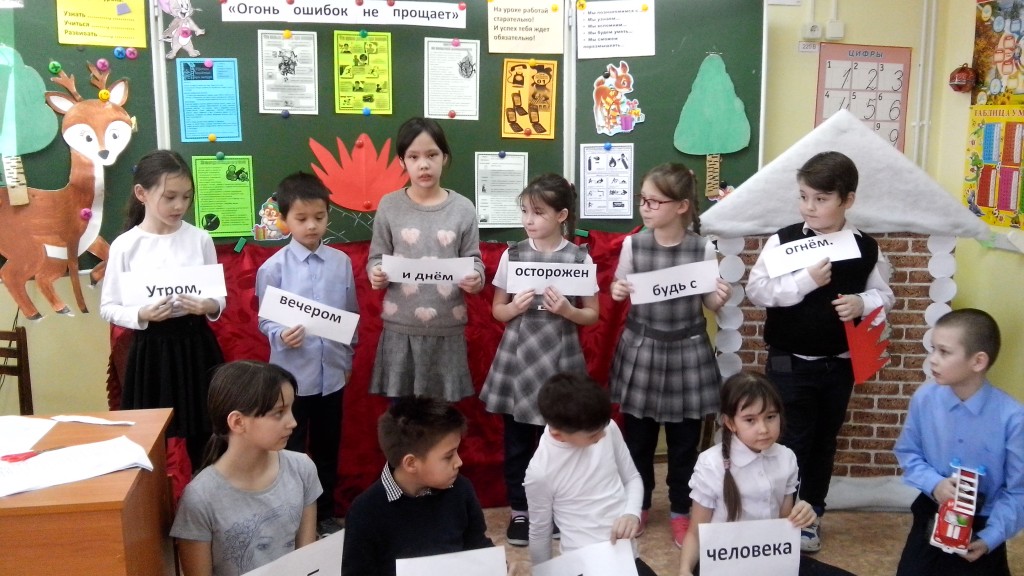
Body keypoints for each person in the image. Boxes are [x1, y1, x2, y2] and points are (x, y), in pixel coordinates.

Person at [746, 150, 895, 552]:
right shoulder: (784, 240)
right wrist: (804, 281)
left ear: (847, 200)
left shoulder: (865, 247)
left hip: (838, 365)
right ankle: (778, 514)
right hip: (788, 360)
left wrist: (863, 303)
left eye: (821, 199)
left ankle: (810, 516)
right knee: (788, 439)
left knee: (823, 441)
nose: (809, 207)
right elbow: (757, 290)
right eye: (803, 196)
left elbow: (885, 295)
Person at [609, 162, 731, 547]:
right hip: (642, 350)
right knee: (638, 441)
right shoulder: (633, 245)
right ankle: (639, 504)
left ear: (681, 206)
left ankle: (681, 509)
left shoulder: (702, 248)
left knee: (683, 444)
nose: (644, 208)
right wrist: (618, 290)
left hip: (687, 352)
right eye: (642, 200)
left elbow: (709, 301)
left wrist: (719, 297)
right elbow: (619, 285)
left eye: (654, 201)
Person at [479, 173, 599, 546]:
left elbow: (592, 314)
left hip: (560, 357)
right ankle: (521, 510)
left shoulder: (578, 257)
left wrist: (568, 311)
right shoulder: (513, 254)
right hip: (519, 357)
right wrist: (513, 308)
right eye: (525, 212)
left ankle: (557, 508)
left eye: (538, 212)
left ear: (561, 215)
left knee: (560, 440)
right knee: (517, 442)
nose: (529, 220)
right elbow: (497, 309)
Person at [100, 149, 225, 470]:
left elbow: (218, 298)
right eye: (170, 197)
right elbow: (109, 307)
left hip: (196, 345)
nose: (179, 206)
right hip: (152, 351)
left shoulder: (200, 239)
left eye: (186, 197)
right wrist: (141, 315)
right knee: (149, 438)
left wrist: (208, 305)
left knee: (207, 434)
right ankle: (152, 498)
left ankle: (207, 495)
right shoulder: (126, 245)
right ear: (141, 193)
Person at [255, 171, 358, 537]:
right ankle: (293, 519)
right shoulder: (273, 268)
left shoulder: (341, 262)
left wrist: (347, 359)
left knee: (328, 449)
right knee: (291, 451)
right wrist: (281, 334)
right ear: (285, 219)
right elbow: (265, 320)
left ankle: (325, 514)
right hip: (292, 380)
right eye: (301, 218)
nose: (312, 226)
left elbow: (349, 314)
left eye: (319, 217)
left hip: (332, 375)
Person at [678, 372, 855, 576]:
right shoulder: (711, 464)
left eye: (770, 417)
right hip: (723, 563)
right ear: (730, 423)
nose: (763, 429)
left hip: (770, 557)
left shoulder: (786, 458)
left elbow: (784, 522)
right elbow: (695, 533)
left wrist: (802, 514)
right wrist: (684, 570)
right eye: (750, 420)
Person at [894, 308, 1024, 576]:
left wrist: (990, 538)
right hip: (931, 514)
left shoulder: (1012, 418)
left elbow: (1018, 490)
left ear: (978, 361)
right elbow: (908, 453)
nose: (933, 359)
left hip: (984, 525)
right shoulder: (924, 399)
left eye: (944, 352)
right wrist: (935, 484)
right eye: (933, 349)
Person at [366, 117, 485, 401]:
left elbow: (474, 261)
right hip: (400, 328)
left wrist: (476, 278)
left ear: (444, 158)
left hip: (447, 329)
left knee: (441, 417)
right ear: (402, 161)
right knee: (401, 415)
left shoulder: (463, 208)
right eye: (414, 157)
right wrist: (376, 272)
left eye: (432, 155)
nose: (423, 164)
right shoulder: (389, 205)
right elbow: (376, 258)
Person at [171, 361, 321, 576]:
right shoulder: (200, 498)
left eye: (291, 409)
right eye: (279, 413)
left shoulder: (302, 469)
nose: (293, 422)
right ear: (238, 422)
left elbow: (306, 560)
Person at [342, 396, 494, 576]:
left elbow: (476, 546)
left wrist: (498, 567)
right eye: (448, 456)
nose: (459, 462)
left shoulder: (461, 490)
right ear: (411, 463)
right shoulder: (365, 512)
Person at [523, 373, 656, 575]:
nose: (602, 436)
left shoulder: (607, 428)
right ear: (558, 433)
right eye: (593, 435)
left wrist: (631, 514)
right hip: (582, 563)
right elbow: (540, 531)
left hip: (624, 555)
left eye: (603, 428)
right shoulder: (540, 472)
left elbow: (632, 478)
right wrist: (543, 573)